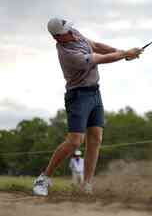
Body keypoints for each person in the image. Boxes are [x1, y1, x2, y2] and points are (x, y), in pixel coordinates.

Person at [33, 18, 143, 196]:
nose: (71, 31)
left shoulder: (74, 34)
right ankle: (43, 178)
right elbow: (100, 58)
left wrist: (122, 52)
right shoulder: (68, 54)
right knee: (75, 141)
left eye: (70, 28)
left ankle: (86, 185)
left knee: (96, 138)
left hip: (95, 93)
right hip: (78, 96)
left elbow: (96, 45)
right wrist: (125, 54)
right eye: (67, 31)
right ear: (58, 38)